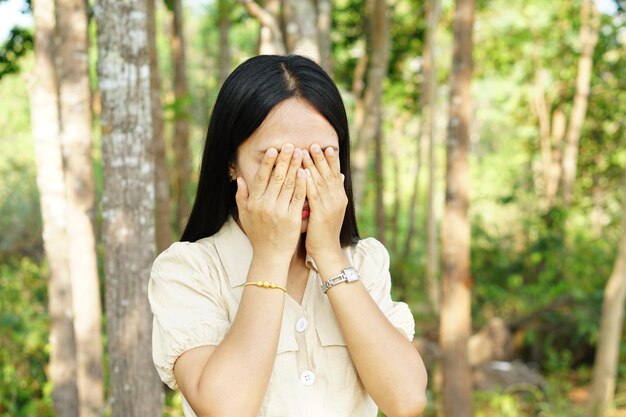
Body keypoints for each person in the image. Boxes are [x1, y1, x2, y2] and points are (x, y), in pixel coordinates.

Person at [149, 54, 428, 417]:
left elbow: (406, 401)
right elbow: (224, 409)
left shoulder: (364, 262)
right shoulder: (189, 271)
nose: (301, 179)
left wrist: (329, 255)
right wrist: (270, 255)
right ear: (231, 164)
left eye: (322, 157)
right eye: (276, 159)